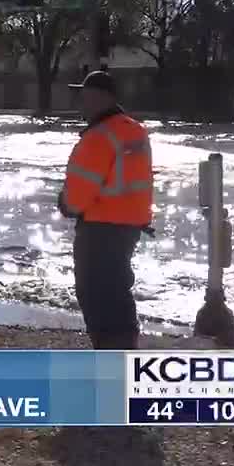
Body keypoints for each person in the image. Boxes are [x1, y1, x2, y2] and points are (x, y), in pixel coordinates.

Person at [58, 71, 153, 350]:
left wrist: (64, 203)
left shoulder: (98, 137)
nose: (81, 102)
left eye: (85, 96)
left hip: (100, 229)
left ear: (100, 97)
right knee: (119, 294)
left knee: (96, 297)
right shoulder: (135, 130)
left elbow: (77, 197)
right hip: (129, 227)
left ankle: (111, 361)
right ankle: (126, 353)